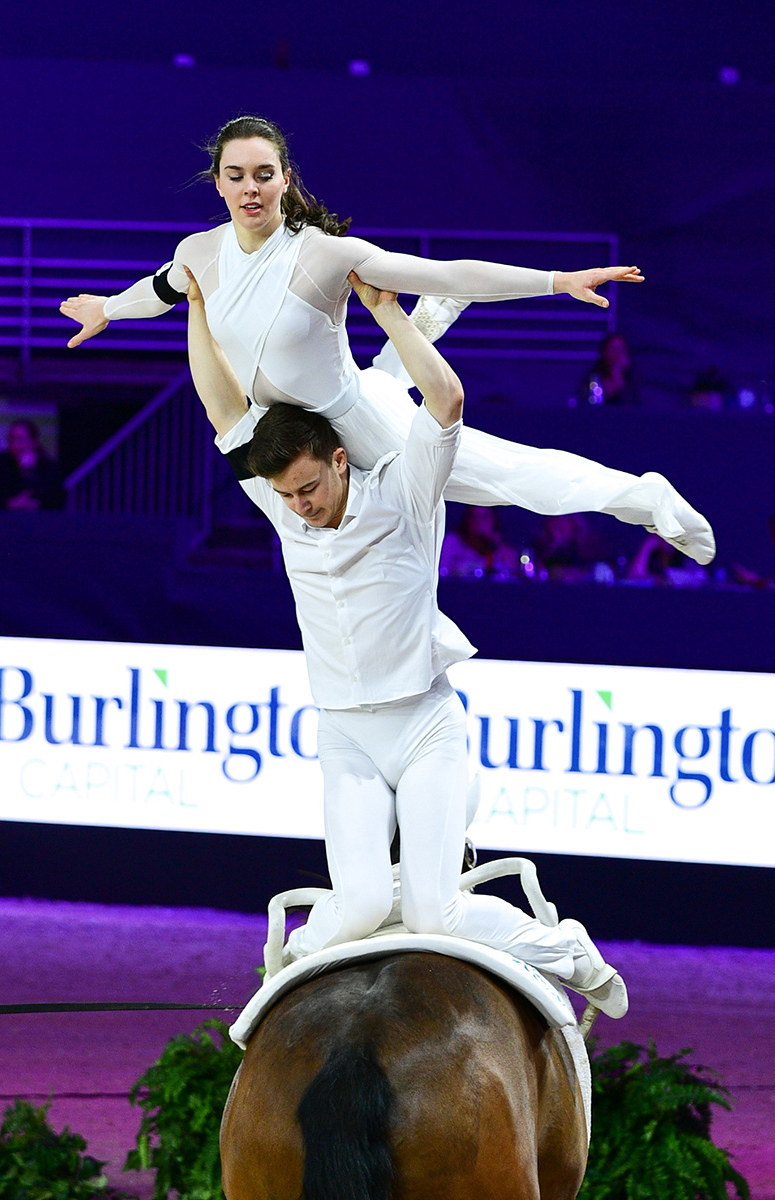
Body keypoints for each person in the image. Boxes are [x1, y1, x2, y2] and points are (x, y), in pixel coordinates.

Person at [184, 264, 627, 1018]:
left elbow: (447, 401)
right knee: (354, 907)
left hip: (424, 728)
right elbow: (223, 407)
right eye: (286, 496)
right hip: (345, 736)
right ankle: (284, 970)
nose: (299, 507)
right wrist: (195, 305)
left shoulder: (405, 488)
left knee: (434, 914)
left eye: (308, 490)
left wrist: (393, 316)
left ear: (338, 458)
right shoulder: (286, 505)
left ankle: (571, 953)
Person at [60, 115, 714, 566]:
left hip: (360, 425)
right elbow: (164, 288)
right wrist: (108, 309)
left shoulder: (323, 255)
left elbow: (447, 270)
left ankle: (646, 496)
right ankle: (424, 325)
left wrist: (556, 280)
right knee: (382, 383)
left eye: (263, 173)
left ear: (285, 178)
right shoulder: (199, 253)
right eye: (235, 175)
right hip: (290, 427)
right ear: (218, 182)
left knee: (504, 475)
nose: (249, 187)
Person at [0, 419, 65, 510]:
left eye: (20, 440)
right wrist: (9, 504)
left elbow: (55, 499)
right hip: (4, 518)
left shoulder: (48, 466)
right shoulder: (2, 461)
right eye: (11, 439)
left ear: (34, 442)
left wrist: (28, 472)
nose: (15, 445)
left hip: (39, 520)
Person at [439, 505, 519, 578]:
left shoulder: (498, 546)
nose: (478, 522)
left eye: (484, 518)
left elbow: (514, 570)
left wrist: (498, 543)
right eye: (474, 517)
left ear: (494, 520)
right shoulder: (453, 541)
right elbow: (442, 572)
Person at [578, 331, 639, 406]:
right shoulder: (594, 377)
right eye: (614, 349)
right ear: (605, 352)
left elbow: (631, 407)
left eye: (621, 350)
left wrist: (618, 374)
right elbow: (585, 402)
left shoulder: (632, 380)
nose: (618, 354)